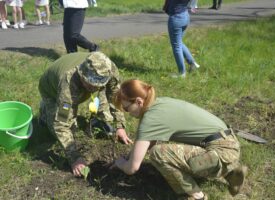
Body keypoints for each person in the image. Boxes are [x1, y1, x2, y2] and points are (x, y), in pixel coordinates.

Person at [111, 79, 247, 200]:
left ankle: (196, 195)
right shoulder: (160, 103)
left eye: (126, 108)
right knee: (159, 151)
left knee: (158, 153)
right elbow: (148, 143)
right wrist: (129, 158)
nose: (127, 113)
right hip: (229, 144)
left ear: (139, 101)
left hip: (219, 153)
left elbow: (132, 168)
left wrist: (120, 163)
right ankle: (232, 172)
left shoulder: (150, 120)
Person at [38, 52, 133, 177]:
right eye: (89, 84)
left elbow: (115, 100)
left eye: (96, 86)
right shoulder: (68, 82)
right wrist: (74, 158)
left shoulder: (109, 70)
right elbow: (61, 124)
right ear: (82, 75)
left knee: (101, 107)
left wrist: (120, 126)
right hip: (51, 90)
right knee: (59, 123)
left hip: (76, 87)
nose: (93, 88)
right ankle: (45, 111)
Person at [163, 0, 200, 78]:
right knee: (179, 43)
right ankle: (192, 63)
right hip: (185, 16)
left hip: (176, 18)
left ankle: (182, 73)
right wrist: (194, 5)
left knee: (176, 46)